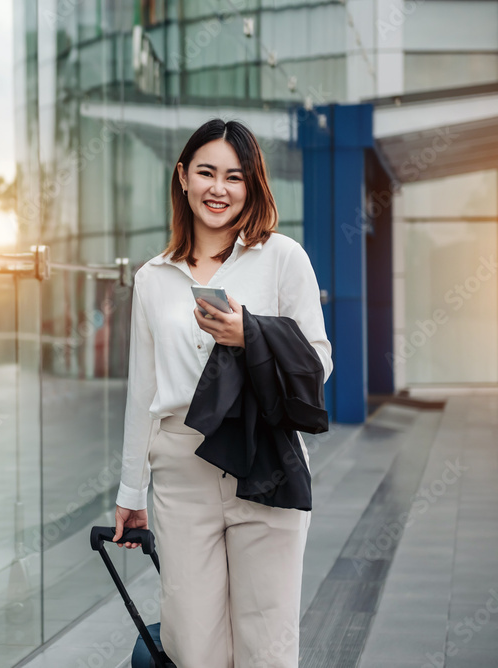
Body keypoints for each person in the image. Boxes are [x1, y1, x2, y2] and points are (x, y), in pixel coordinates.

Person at [112, 118, 332, 668]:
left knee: (267, 642)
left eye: (234, 177)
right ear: (183, 177)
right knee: (193, 646)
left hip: (265, 460)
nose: (219, 189)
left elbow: (319, 362)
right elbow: (143, 389)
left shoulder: (282, 257)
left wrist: (248, 333)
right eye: (206, 173)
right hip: (182, 468)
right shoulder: (153, 277)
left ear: (252, 185)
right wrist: (129, 490)